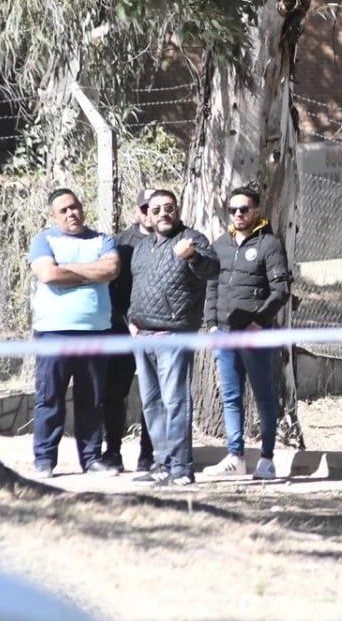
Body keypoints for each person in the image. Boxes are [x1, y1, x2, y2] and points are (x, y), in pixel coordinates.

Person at [26, 189, 120, 479]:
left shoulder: (102, 240)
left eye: (75, 207)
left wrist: (67, 271)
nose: (71, 213)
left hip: (94, 332)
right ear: (53, 216)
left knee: (91, 399)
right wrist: (91, 273)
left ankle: (91, 459)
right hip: (53, 332)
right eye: (64, 210)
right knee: (50, 397)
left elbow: (111, 269)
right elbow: (48, 275)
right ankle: (44, 460)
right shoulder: (43, 240)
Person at [128, 190, 219, 487]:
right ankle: (161, 463)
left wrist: (192, 256)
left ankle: (181, 469)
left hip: (173, 335)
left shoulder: (192, 239)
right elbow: (138, 286)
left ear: (177, 210)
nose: (163, 213)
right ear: (148, 215)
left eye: (169, 208)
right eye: (156, 210)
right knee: (152, 404)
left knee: (174, 402)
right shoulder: (143, 247)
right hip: (142, 336)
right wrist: (131, 319)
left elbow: (212, 269)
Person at [203, 186, 292, 481]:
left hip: (255, 335)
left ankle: (267, 459)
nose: (238, 214)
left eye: (244, 209)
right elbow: (212, 287)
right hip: (224, 334)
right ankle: (235, 457)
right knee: (231, 396)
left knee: (264, 396)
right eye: (233, 210)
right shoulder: (220, 245)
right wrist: (212, 324)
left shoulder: (269, 245)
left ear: (256, 210)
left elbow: (281, 290)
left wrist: (259, 321)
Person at [102, 188, 158, 473]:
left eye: (155, 207)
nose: (150, 213)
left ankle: (149, 453)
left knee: (153, 393)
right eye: (145, 208)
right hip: (122, 329)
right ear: (138, 210)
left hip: (156, 329)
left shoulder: (173, 239)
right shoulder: (120, 242)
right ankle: (112, 451)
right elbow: (110, 288)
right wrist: (124, 322)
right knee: (114, 391)